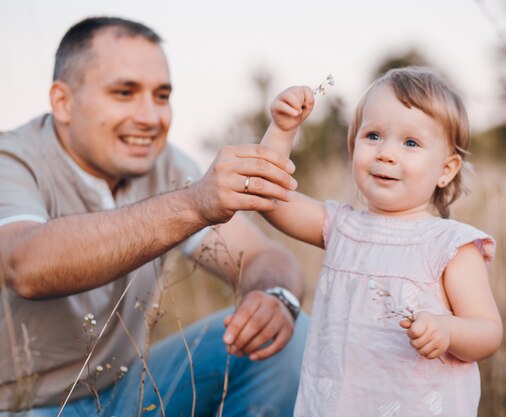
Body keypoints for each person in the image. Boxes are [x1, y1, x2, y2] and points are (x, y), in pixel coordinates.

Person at [0, 17, 308, 416]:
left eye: (161, 96)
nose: (150, 117)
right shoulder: (13, 160)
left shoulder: (169, 166)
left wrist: (276, 298)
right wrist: (193, 205)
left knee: (287, 334)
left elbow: (264, 257)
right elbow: (26, 265)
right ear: (63, 102)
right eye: (124, 92)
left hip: (127, 391)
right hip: (22, 406)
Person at [259, 67, 503, 416]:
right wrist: (283, 131)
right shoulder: (341, 227)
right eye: (373, 136)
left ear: (446, 170)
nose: (386, 153)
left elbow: (488, 331)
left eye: (410, 143)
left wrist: (448, 330)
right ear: (353, 145)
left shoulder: (449, 245)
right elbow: (272, 200)